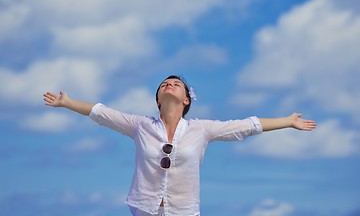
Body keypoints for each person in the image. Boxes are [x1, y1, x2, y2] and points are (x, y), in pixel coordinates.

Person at [43, 75, 317, 216]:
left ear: (186, 100)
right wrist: (67, 103)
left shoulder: (201, 129)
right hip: (145, 208)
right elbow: (101, 112)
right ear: (159, 99)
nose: (170, 85)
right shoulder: (141, 125)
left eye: (176, 84)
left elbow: (247, 126)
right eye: (165, 84)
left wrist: (288, 121)